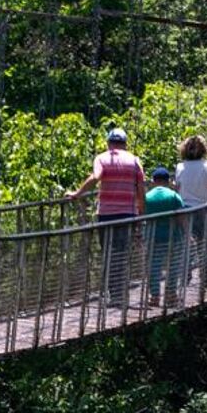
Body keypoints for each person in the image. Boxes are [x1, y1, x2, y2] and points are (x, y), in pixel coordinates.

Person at [69, 128, 145, 307]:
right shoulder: (135, 161)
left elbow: (96, 177)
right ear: (125, 143)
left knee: (109, 254)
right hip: (128, 214)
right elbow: (140, 189)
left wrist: (77, 193)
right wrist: (141, 214)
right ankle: (120, 295)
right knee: (123, 253)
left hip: (106, 214)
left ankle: (115, 294)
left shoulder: (101, 158)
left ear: (109, 143)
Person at [173, 135, 207, 299]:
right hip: (206, 209)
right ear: (204, 149)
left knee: (187, 244)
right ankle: (206, 277)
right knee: (206, 245)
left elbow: (177, 190)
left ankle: (185, 275)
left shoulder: (180, 167)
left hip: (186, 211)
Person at [143, 166, 186, 306]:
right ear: (168, 181)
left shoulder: (146, 197)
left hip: (153, 236)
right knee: (174, 265)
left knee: (154, 266)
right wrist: (187, 233)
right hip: (173, 236)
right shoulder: (174, 196)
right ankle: (171, 294)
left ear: (153, 181)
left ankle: (154, 297)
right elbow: (181, 217)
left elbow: (142, 216)